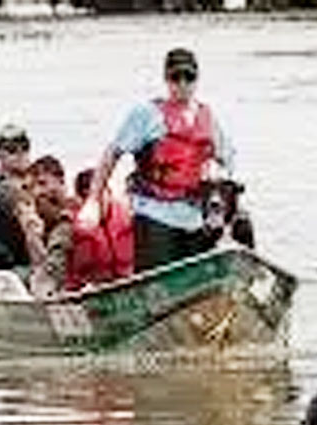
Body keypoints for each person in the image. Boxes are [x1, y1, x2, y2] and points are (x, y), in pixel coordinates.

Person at [87, 48, 236, 272]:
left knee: (192, 279)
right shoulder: (145, 114)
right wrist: (93, 200)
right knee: (157, 277)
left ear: (197, 79)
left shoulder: (208, 117)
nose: (182, 84)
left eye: (189, 77)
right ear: (166, 79)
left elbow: (227, 160)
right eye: (176, 77)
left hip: (193, 217)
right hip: (153, 214)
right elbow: (113, 153)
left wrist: (219, 191)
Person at [0, 123, 34, 278]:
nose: (20, 154)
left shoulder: (27, 182)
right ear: (0, 155)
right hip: (9, 269)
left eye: (24, 148)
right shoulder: (5, 188)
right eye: (12, 150)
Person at [24, 155, 72, 299]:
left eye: (42, 183)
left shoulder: (64, 227)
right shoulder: (53, 223)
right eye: (33, 187)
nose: (36, 192)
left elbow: (46, 284)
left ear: (62, 183)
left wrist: (33, 239)